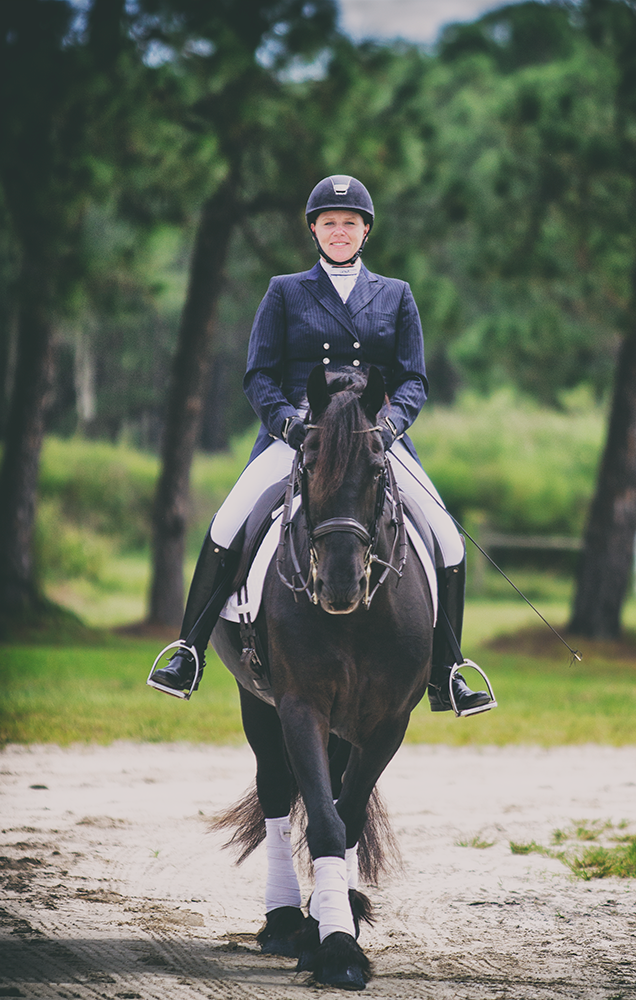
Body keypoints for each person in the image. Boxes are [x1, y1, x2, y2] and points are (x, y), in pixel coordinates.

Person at [148, 174, 493, 715]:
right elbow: (258, 373)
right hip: (299, 437)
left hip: (373, 437)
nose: (339, 231)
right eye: (329, 223)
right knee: (227, 523)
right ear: (313, 229)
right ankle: (188, 650)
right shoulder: (284, 291)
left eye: (349, 223)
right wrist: (287, 423)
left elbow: (413, 380)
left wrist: (391, 426)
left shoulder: (396, 295)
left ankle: (448, 670)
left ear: (366, 231)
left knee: (448, 538)